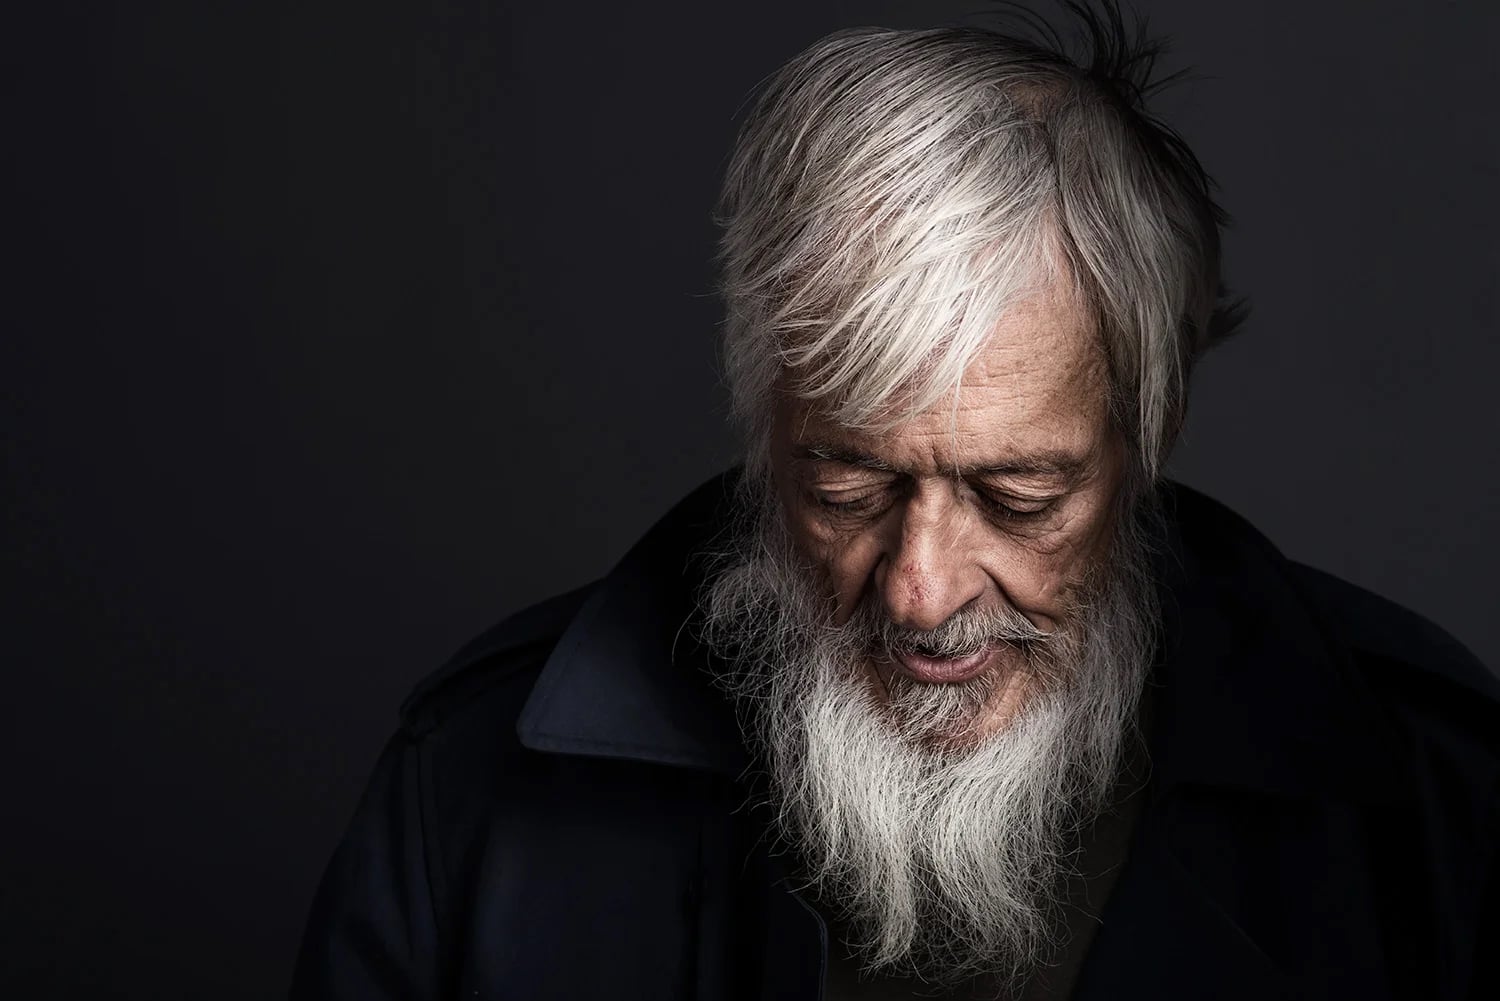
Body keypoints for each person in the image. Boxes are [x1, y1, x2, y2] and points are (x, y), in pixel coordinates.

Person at [290, 5, 1498, 999]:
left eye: (1019, 496)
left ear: (1148, 433)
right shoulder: (474, 788)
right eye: (844, 484)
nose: (922, 586)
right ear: (765, 426)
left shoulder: (1438, 804)